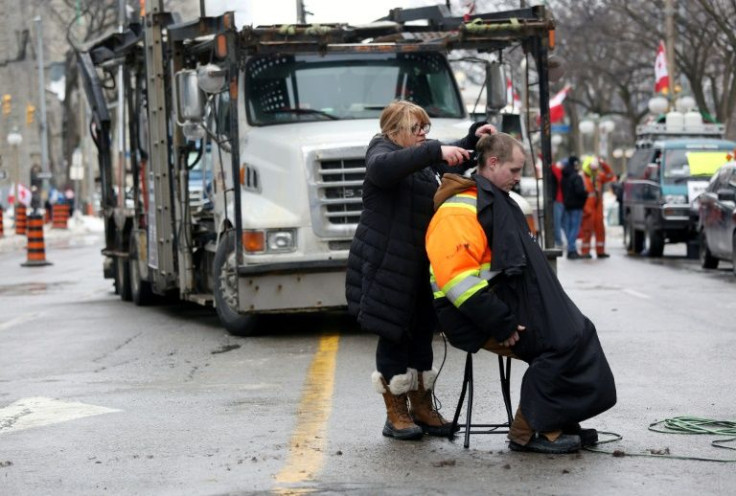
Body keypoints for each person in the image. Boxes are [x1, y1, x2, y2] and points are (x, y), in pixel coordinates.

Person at [425, 133, 616, 454]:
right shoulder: (458, 212)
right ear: (493, 163)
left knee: (580, 331)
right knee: (558, 343)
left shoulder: (494, 201)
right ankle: (530, 429)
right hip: (473, 318)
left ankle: (560, 416)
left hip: (499, 305)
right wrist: (503, 323)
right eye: (514, 170)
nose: (519, 177)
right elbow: (458, 283)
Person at [346, 100, 496, 440]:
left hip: (418, 265)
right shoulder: (380, 152)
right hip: (387, 266)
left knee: (421, 338)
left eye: (425, 128)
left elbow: (446, 158)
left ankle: (422, 408)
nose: (424, 135)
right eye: (417, 129)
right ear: (393, 130)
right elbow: (388, 167)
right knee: (394, 336)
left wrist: (472, 140)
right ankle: (395, 413)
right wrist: (433, 150)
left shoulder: (419, 159)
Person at [579, 156, 617, 259]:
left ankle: (600, 251)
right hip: (588, 207)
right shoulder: (582, 177)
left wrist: (603, 164)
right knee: (587, 230)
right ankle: (585, 251)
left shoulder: (598, 176)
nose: (594, 170)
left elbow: (610, 175)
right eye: (593, 168)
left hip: (598, 205)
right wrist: (585, 209)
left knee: (600, 229)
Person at [560, 155, 587, 259]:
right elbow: (579, 191)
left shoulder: (564, 175)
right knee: (574, 229)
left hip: (567, 204)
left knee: (569, 228)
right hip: (576, 205)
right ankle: (571, 249)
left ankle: (572, 248)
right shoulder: (576, 176)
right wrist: (585, 194)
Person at [549, 158, 565, 248]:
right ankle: (560, 240)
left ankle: (558, 241)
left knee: (557, 222)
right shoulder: (561, 173)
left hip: (557, 200)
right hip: (561, 200)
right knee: (562, 223)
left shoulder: (556, 171)